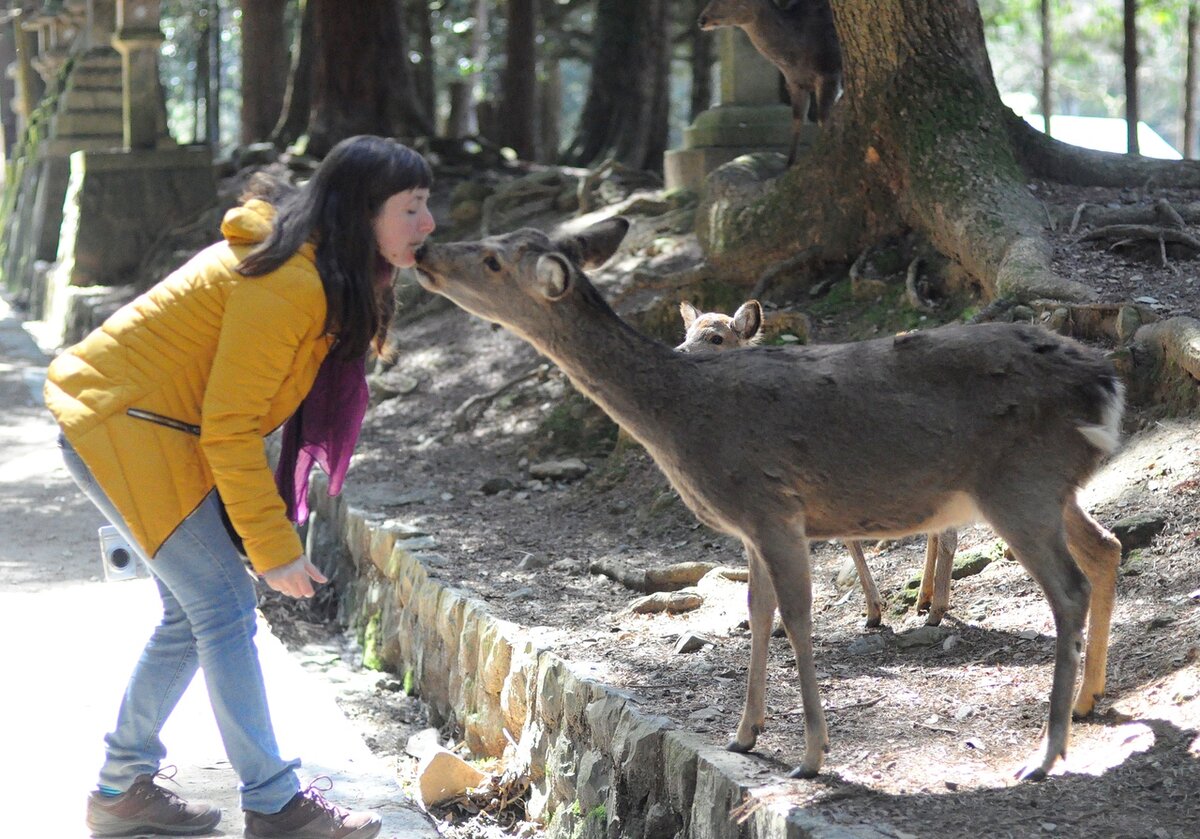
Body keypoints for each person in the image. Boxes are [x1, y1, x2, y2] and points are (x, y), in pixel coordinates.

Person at [44, 135, 435, 839]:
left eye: (426, 206)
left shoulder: (317, 274)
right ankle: (276, 801)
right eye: (412, 208)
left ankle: (121, 786)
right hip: (122, 425)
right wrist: (273, 545)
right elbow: (229, 426)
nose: (428, 225)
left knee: (193, 611)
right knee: (223, 605)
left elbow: (234, 419)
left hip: (144, 424)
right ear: (360, 214)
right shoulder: (289, 284)